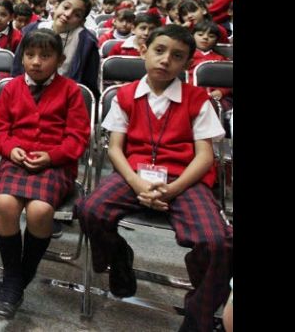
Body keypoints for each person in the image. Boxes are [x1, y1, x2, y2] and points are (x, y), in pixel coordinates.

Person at [76, 24, 231, 332]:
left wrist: (172, 189)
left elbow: (204, 157)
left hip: (184, 179)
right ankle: (120, 258)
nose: (165, 60)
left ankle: (198, 313)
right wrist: (137, 184)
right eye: (159, 51)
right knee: (89, 210)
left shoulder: (197, 99)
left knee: (217, 242)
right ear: (144, 50)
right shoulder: (125, 95)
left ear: (187, 64)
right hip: (135, 174)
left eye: (176, 56)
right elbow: (116, 150)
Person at [0, 29, 91, 319]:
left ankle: (16, 281)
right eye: (30, 55)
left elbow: (78, 138)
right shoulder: (11, 88)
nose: (36, 62)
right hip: (16, 159)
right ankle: (13, 281)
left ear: (59, 60)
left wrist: (52, 156)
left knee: (40, 211)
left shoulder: (70, 91)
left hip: (55, 164)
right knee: (6, 204)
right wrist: (10, 149)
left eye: (45, 56)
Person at [13, 0, 100, 98]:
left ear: (82, 22)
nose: (68, 14)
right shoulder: (32, 29)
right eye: (66, 7)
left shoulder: (87, 43)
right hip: (26, 93)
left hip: (65, 97)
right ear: (56, 5)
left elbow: (88, 87)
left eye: (77, 15)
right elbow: (17, 68)